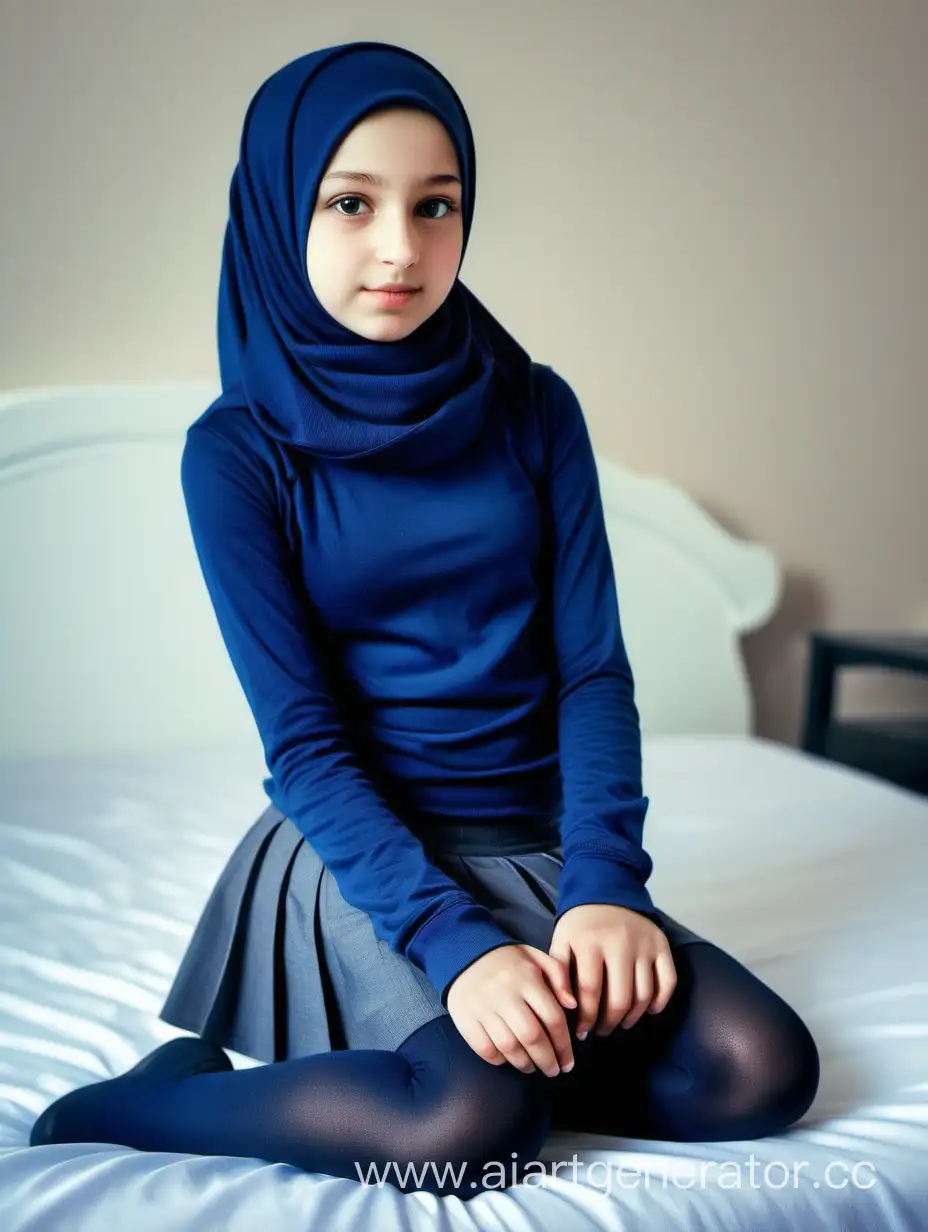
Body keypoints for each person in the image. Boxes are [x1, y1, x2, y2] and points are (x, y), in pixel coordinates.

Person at [29, 41, 819, 1198]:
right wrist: (461, 951)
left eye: (435, 205)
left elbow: (592, 671)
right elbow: (303, 747)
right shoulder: (236, 454)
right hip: (365, 856)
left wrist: (605, 883)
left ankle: (490, 1054)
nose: (401, 246)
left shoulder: (534, 408)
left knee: (762, 1071)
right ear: (277, 211)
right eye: (350, 203)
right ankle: (142, 1097)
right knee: (469, 1122)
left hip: (536, 838)